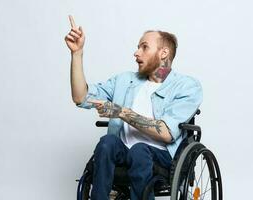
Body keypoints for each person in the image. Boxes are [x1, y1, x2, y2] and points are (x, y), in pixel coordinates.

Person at [65, 15, 203, 200]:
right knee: (107, 144)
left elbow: (166, 132)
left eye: (144, 47)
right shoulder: (124, 80)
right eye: (138, 47)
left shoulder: (187, 86)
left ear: (163, 53)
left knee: (139, 149)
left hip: (161, 156)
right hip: (123, 152)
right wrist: (77, 54)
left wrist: (121, 112)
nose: (136, 53)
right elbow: (81, 97)